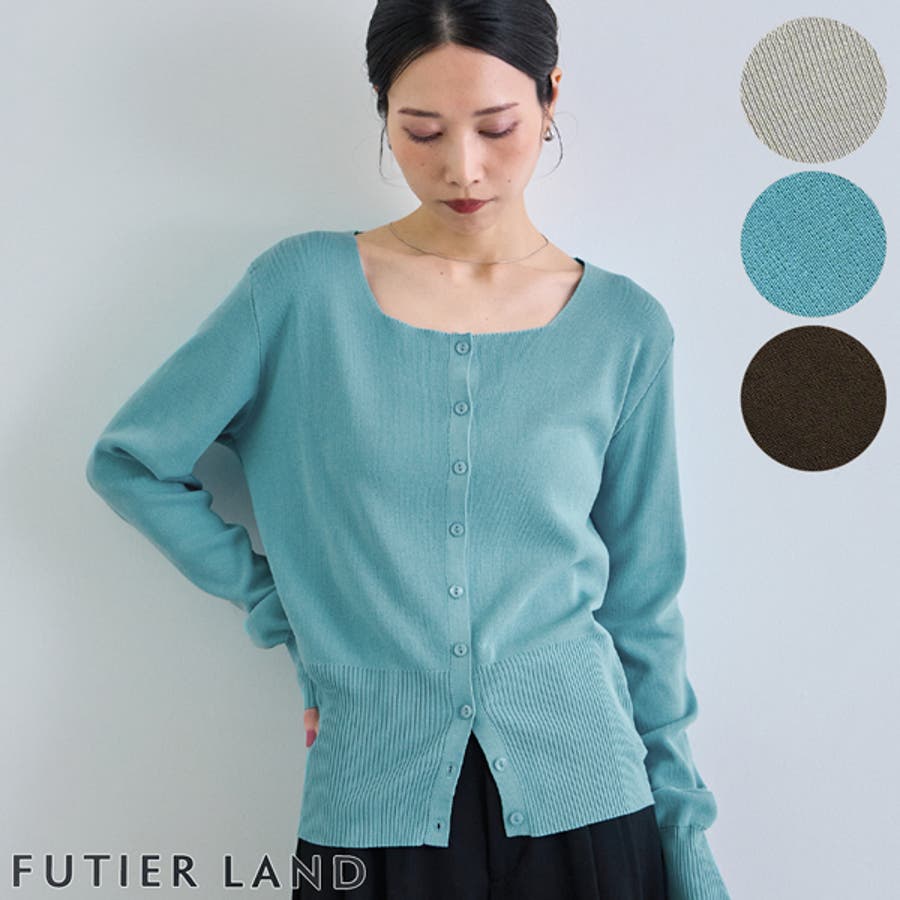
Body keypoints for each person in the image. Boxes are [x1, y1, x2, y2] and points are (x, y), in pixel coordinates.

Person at [84, 1, 731, 898]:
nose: (463, 168)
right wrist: (291, 617)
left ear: (549, 98)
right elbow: (130, 461)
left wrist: (686, 840)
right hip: (371, 800)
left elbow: (644, 606)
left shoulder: (624, 328)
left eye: (497, 127)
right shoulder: (301, 293)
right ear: (383, 112)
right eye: (422, 131)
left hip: (591, 802)